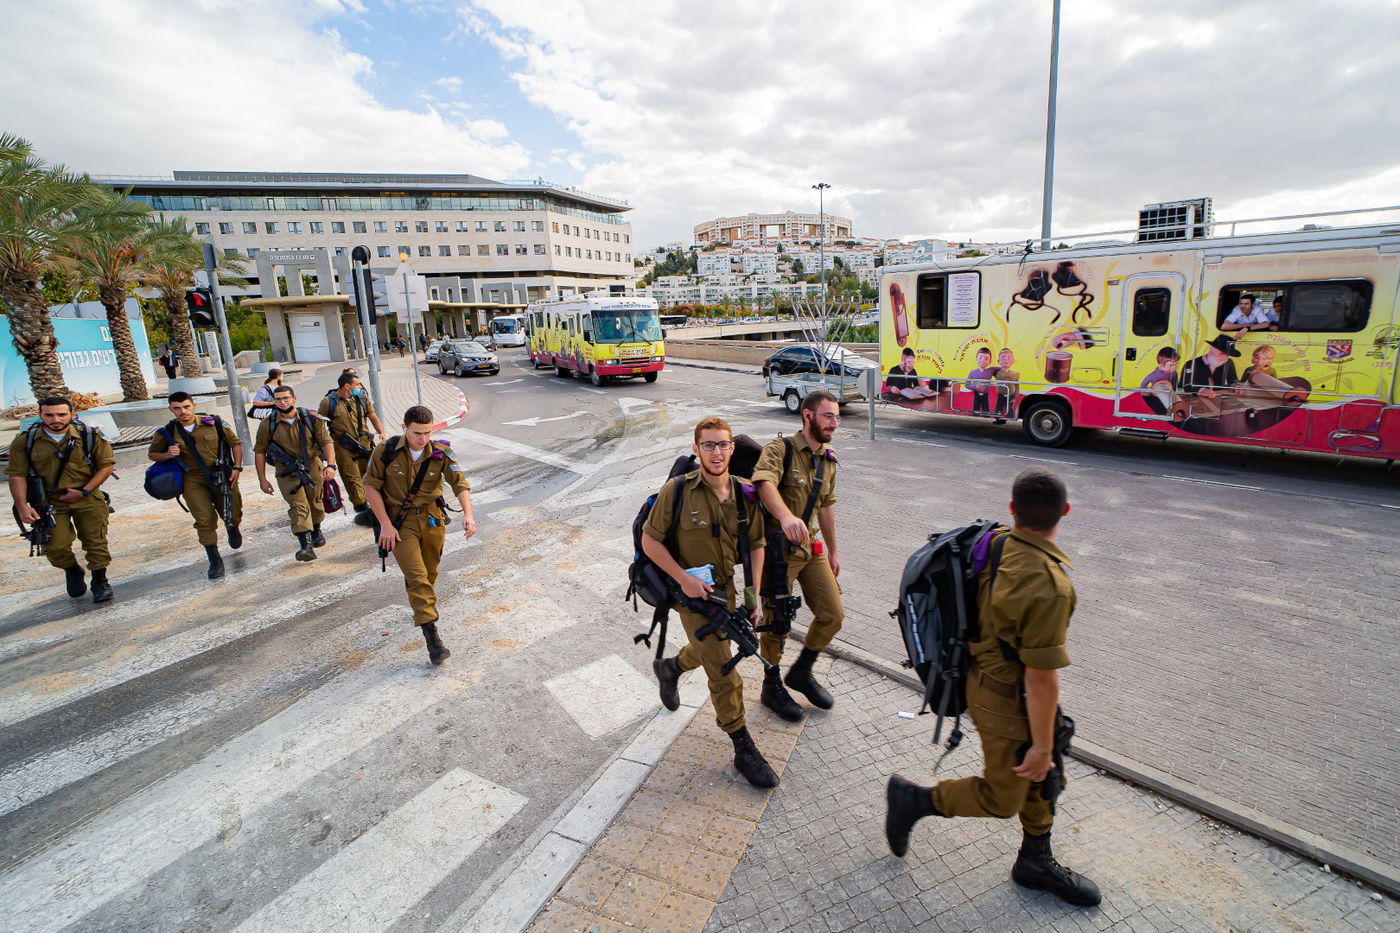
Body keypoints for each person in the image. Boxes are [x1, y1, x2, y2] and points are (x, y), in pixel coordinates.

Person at [885, 467, 1101, 907]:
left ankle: (1035, 861)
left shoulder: (998, 540)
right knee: (1004, 796)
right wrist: (1041, 744)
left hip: (985, 676)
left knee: (1046, 774)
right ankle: (915, 800)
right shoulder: (1048, 583)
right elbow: (1041, 676)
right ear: (1065, 511)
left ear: (1012, 508)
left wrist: (1045, 748)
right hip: (1005, 695)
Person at [646, 416, 775, 787]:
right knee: (724, 673)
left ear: (732, 448)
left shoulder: (745, 493)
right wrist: (683, 579)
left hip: (728, 593)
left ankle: (671, 667)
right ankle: (742, 746)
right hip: (691, 597)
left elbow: (756, 545)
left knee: (712, 650)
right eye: (708, 445)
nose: (716, 452)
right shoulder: (677, 491)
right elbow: (650, 542)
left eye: (722, 444)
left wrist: (753, 595)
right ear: (696, 449)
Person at [752, 391, 843, 721]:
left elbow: (826, 506)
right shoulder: (781, 449)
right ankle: (771, 684)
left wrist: (833, 551)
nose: (834, 423)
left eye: (836, 417)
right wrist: (786, 516)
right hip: (778, 550)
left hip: (810, 548)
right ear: (807, 416)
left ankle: (802, 671)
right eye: (828, 416)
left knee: (833, 614)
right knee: (777, 621)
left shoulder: (828, 460)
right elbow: (764, 482)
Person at [363, 405, 476, 665]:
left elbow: (459, 483)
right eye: (417, 433)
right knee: (417, 577)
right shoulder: (386, 451)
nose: (423, 438)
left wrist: (468, 515)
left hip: (432, 520)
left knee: (429, 573)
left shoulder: (441, 452)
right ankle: (432, 637)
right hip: (400, 524)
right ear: (404, 428)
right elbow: (370, 487)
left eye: (427, 432)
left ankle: (420, 603)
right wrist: (385, 524)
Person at [7, 396, 116, 602]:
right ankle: (72, 569)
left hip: (87, 497)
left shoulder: (89, 436)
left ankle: (100, 580)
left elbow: (106, 467)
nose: (55, 419)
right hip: (50, 502)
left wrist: (84, 491)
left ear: (72, 414)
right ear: (40, 415)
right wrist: (22, 507)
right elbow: (17, 475)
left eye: (61, 414)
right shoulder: (25, 441)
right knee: (55, 547)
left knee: (96, 541)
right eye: (49, 415)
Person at [149, 391, 244, 579]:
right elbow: (152, 454)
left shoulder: (214, 423)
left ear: (193, 406)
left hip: (221, 474)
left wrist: (237, 467)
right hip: (192, 479)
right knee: (204, 519)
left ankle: (232, 527)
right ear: (171, 409)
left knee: (232, 512)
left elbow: (235, 443)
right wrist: (168, 454)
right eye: (177, 408)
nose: (183, 411)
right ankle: (214, 559)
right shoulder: (167, 432)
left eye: (186, 407)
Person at [254, 385, 337, 562]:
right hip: (286, 472)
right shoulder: (268, 424)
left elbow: (326, 442)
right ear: (273, 401)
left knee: (315, 501)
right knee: (298, 505)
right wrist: (262, 479)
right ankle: (305, 546)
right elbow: (260, 451)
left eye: (286, 398)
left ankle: (316, 529)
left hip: (312, 466)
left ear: (294, 398)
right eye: (278, 399)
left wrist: (331, 465)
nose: (282, 402)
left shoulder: (311, 418)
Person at [319, 373, 384, 527]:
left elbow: (373, 416)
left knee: (371, 474)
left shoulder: (361, 398)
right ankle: (362, 508)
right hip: (343, 446)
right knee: (352, 478)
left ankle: (378, 504)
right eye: (357, 384)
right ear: (347, 386)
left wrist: (381, 432)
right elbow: (319, 426)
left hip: (364, 443)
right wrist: (323, 447)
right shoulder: (329, 402)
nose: (360, 387)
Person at [1179, 335, 1241, 399]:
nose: (1223, 358)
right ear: (1212, 350)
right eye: (1221, 353)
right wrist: (1200, 390)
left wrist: (1236, 384)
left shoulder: (1228, 363)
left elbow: (1233, 379)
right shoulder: (1191, 364)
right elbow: (1185, 385)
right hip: (1196, 399)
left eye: (1227, 355)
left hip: (1217, 399)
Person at [1140, 347, 1180, 415]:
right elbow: (1143, 384)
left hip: (1169, 392)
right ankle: (1170, 410)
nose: (1174, 367)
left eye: (1176, 364)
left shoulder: (1174, 373)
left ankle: (1176, 408)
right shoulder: (1154, 375)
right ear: (1161, 361)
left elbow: (1175, 384)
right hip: (1157, 393)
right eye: (1171, 365)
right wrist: (1145, 390)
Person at [965, 346, 996, 416]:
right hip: (976, 395)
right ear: (976, 359)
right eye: (980, 358)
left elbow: (1002, 369)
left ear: (990, 361)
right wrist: (975, 387)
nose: (982, 360)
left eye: (986, 359)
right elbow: (967, 384)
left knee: (986, 410)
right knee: (976, 410)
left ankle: (986, 419)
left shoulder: (991, 370)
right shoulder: (972, 372)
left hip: (986, 395)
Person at [992, 347, 1020, 419]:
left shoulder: (1015, 374)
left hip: (1010, 396)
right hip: (1000, 395)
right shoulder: (997, 373)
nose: (1006, 360)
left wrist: (1015, 397)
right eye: (1003, 357)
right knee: (998, 408)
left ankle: (1010, 419)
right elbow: (990, 369)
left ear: (1013, 361)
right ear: (998, 361)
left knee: (1009, 409)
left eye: (1009, 357)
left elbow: (1017, 386)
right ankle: (998, 419)